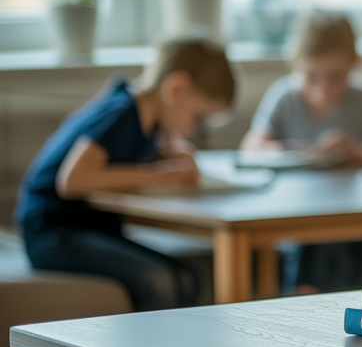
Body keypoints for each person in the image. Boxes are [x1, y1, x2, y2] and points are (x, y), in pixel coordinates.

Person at [16, 37, 236, 311]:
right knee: (158, 279)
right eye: (199, 119)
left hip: (90, 231)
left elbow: (124, 158)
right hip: (53, 233)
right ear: (176, 89)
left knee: (189, 276)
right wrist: (155, 175)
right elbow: (71, 180)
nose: (194, 130)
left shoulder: (149, 122)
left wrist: (169, 154)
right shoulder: (121, 113)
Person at [240, 11, 362, 294]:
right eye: (311, 77)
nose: (322, 90)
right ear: (295, 66)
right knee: (308, 250)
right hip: (299, 216)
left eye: (335, 77)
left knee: (357, 256)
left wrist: (356, 152)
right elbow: (251, 148)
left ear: (355, 64)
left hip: (352, 214)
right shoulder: (284, 96)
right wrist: (304, 151)